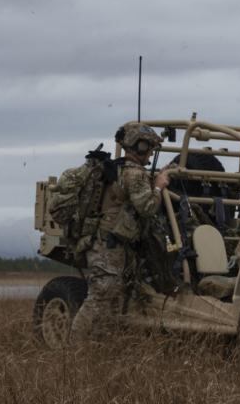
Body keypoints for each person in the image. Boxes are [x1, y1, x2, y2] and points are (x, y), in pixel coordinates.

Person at [71, 122, 172, 342]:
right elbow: (147, 207)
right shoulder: (134, 174)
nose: (150, 154)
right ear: (141, 146)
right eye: (150, 149)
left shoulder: (119, 168)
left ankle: (97, 347)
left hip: (114, 246)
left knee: (113, 301)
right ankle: (74, 349)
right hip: (109, 247)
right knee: (99, 298)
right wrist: (158, 186)